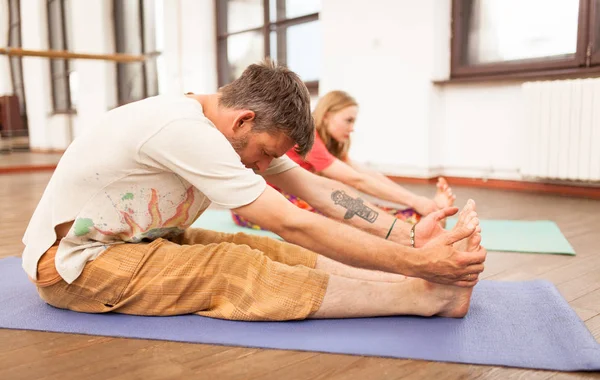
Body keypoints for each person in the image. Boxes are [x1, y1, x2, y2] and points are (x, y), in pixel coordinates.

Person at [23, 60, 486, 322]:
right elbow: (292, 219)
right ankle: (424, 296)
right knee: (233, 266)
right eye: (265, 153)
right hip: (73, 265)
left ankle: (407, 281)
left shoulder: (237, 132)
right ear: (244, 119)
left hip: (140, 240)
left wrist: (407, 237)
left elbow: (320, 191)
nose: (265, 166)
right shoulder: (181, 128)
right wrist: (424, 264)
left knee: (256, 246)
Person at [232, 90, 455, 231]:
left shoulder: (327, 142)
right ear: (327, 115)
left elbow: (366, 175)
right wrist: (417, 202)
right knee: (344, 215)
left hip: (290, 199)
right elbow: (357, 182)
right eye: (348, 120)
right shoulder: (307, 139)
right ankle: (424, 219)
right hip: (260, 208)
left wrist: (416, 199)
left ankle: (425, 218)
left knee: (357, 209)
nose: (352, 127)